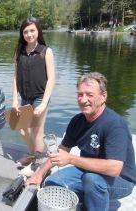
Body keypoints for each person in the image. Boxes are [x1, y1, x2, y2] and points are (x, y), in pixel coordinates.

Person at [26, 72, 136, 210]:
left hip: (121, 179)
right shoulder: (77, 121)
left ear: (103, 96)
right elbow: (60, 151)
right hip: (88, 171)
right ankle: (85, 202)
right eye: (80, 94)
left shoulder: (115, 125)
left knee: (92, 181)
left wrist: (71, 159)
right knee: (53, 183)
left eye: (90, 95)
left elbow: (114, 169)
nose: (83, 100)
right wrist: (39, 175)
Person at [12, 17, 55, 174]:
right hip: (24, 97)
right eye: (26, 31)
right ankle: (32, 157)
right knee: (23, 130)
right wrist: (15, 99)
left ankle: (37, 164)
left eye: (32, 30)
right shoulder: (19, 51)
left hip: (40, 97)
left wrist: (44, 103)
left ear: (38, 31)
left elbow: (51, 79)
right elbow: (16, 77)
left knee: (37, 131)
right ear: (22, 33)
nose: (29, 34)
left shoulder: (46, 51)